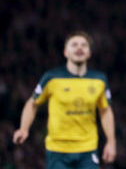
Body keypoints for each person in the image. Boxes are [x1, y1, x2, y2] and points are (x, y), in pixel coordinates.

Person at [13, 31, 116, 169]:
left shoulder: (99, 79)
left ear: (89, 53)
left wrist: (111, 141)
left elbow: (105, 110)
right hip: (57, 150)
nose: (79, 48)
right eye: (74, 45)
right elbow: (32, 103)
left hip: (88, 149)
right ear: (65, 52)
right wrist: (23, 128)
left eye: (84, 45)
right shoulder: (51, 77)